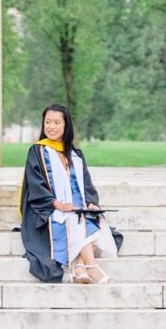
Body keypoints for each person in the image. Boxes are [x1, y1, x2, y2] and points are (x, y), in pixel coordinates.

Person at [17, 103, 123, 285]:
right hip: (48, 209)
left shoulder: (75, 154)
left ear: (66, 126)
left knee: (90, 218)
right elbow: (35, 184)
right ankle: (92, 268)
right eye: (47, 122)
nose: (51, 127)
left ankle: (79, 268)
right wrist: (58, 204)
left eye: (57, 122)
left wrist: (91, 202)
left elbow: (87, 184)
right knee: (74, 219)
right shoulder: (38, 151)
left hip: (74, 208)